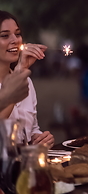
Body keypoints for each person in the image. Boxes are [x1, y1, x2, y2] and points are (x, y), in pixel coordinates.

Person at [0, 10, 54, 147]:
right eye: (5, 36)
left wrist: (40, 138)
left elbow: (31, 130)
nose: (15, 40)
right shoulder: (21, 79)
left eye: (17, 34)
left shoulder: (26, 81)